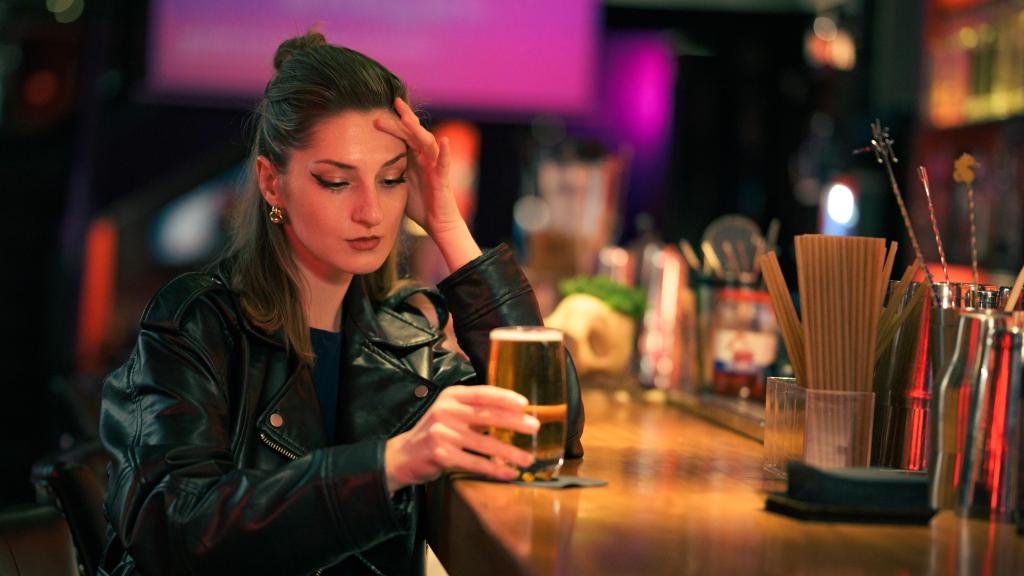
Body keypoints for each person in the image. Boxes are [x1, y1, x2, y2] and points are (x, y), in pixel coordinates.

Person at [99, 31, 584, 576]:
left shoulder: (405, 337)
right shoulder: (197, 323)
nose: (371, 212)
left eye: (392, 179)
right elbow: (177, 531)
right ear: (271, 182)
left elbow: (549, 432)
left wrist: (448, 224)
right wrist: (390, 463)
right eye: (336, 182)